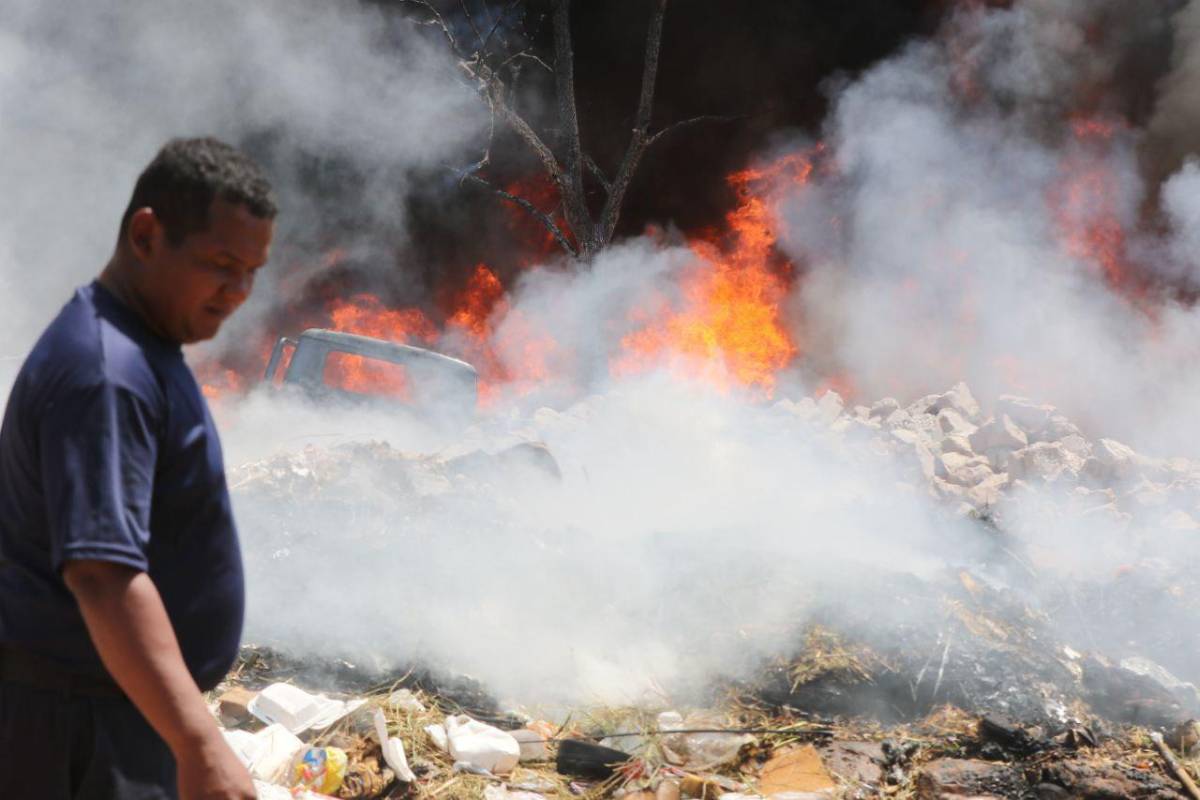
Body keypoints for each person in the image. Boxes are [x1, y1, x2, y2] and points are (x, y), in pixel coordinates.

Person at [0, 137, 276, 799]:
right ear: (147, 234)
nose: (237, 292)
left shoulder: (136, 346)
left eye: (252, 271)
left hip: (111, 713)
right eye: (220, 264)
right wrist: (198, 744)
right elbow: (102, 574)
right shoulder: (106, 374)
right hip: (79, 732)